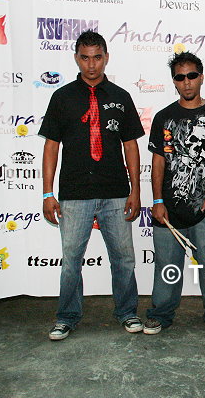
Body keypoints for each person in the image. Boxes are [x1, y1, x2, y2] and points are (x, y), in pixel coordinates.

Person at [40, 31, 144, 341]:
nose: (91, 65)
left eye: (97, 57)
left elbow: (131, 146)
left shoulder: (121, 96)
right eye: (85, 58)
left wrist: (135, 190)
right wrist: (47, 193)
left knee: (123, 259)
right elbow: (51, 146)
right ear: (76, 58)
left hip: (115, 191)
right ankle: (66, 317)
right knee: (71, 261)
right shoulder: (62, 97)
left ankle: (127, 312)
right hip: (74, 193)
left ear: (106, 58)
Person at [144, 52, 205, 335]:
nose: (186, 82)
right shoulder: (164, 117)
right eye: (180, 77)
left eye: (192, 76)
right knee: (166, 266)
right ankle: (161, 313)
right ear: (174, 81)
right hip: (168, 208)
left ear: (201, 77)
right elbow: (158, 161)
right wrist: (157, 200)